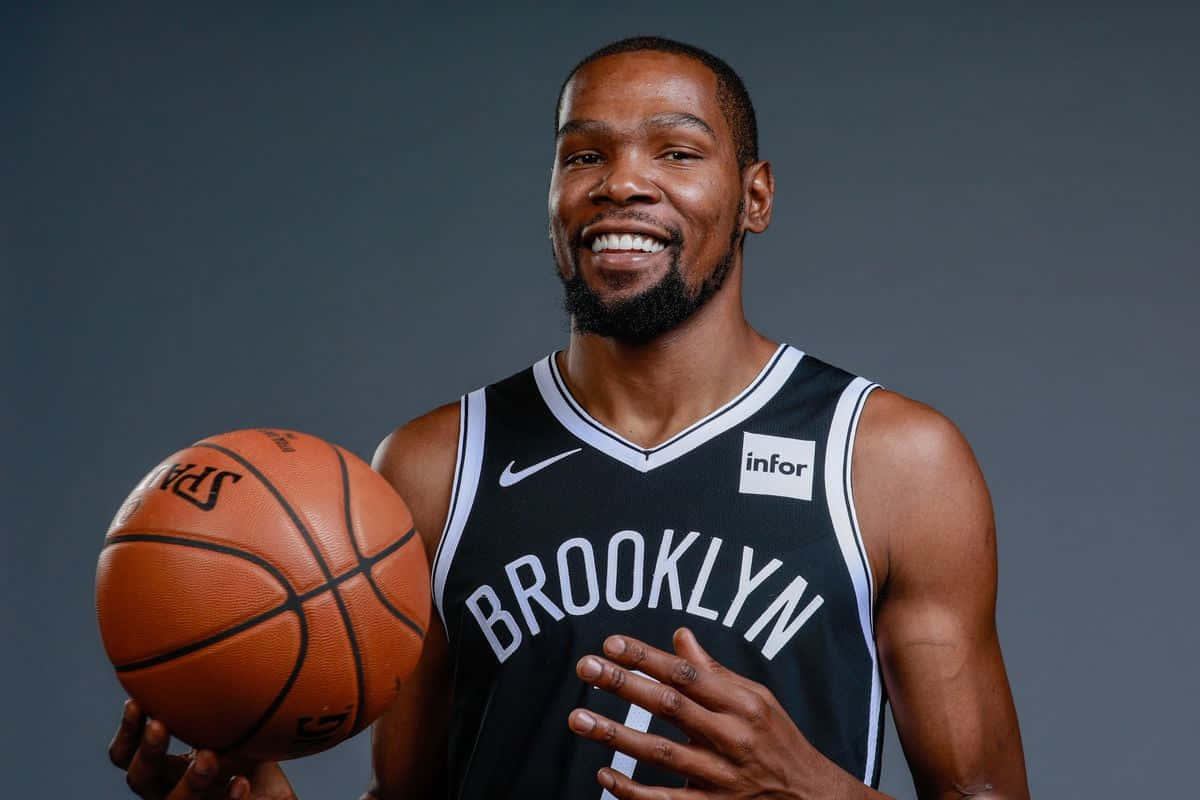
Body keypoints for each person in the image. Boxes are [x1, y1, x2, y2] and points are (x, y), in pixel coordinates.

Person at [108, 36, 1030, 800]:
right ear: (552, 197)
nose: (620, 184)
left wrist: (807, 790)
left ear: (755, 197)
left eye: (675, 150)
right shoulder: (436, 466)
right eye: (584, 154)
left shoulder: (892, 460)